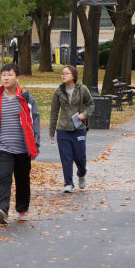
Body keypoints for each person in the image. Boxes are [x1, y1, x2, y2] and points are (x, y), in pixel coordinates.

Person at [0, 63, 41, 224]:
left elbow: (35, 120)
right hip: (3, 147)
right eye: (3, 74)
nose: (6, 77)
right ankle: (1, 210)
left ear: (17, 78)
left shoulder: (25, 97)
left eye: (9, 74)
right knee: (3, 177)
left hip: (23, 148)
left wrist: (35, 144)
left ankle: (22, 209)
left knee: (22, 180)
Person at [49, 65, 94, 193]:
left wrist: (84, 115)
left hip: (79, 128)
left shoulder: (82, 89)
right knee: (66, 158)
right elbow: (54, 112)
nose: (63, 76)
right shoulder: (58, 91)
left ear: (73, 76)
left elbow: (91, 104)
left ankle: (81, 173)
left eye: (66, 73)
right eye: (62, 74)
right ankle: (68, 184)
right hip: (63, 129)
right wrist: (52, 130)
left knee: (80, 157)